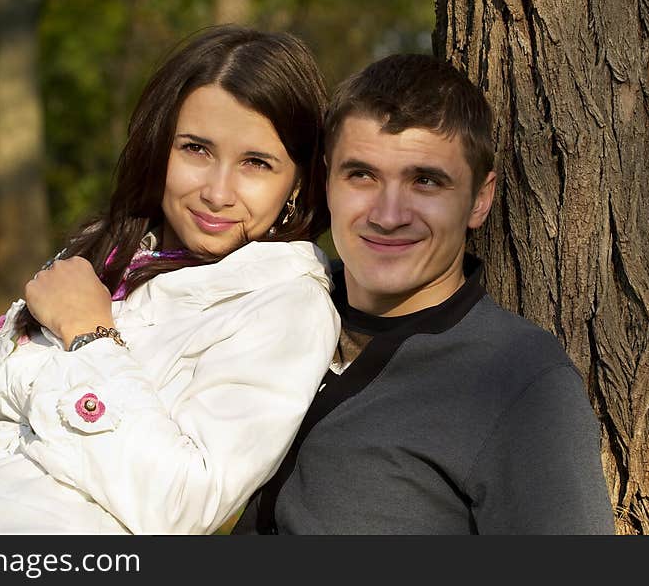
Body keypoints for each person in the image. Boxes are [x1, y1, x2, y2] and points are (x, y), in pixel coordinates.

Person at [0, 25, 340, 534]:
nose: (217, 192)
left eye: (256, 163)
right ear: (160, 146)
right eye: (196, 150)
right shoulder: (110, 248)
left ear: (296, 182)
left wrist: (89, 337)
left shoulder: (286, 305)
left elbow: (181, 505)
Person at [233, 53, 616, 534]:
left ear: (479, 198)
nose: (388, 214)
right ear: (327, 180)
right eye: (362, 175)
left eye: (426, 181)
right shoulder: (267, 306)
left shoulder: (519, 378)